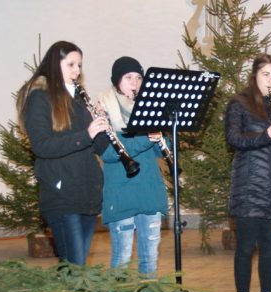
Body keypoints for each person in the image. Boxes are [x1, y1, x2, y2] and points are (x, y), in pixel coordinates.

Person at [15, 41, 110, 265]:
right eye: (71, 65)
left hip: (86, 193)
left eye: (79, 65)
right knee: (73, 267)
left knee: (75, 270)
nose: (77, 71)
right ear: (53, 65)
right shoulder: (39, 97)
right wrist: (87, 134)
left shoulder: (79, 100)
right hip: (61, 194)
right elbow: (42, 145)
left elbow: (101, 147)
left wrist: (103, 124)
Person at [225, 54, 271, 292]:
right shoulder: (240, 103)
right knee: (245, 248)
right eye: (266, 75)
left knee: (269, 248)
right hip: (249, 186)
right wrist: (265, 136)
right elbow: (233, 139)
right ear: (254, 75)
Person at [95, 56, 169, 276]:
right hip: (121, 191)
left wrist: (163, 137)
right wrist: (146, 139)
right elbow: (109, 153)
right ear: (117, 81)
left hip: (149, 189)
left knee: (150, 261)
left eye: (138, 78)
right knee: (122, 258)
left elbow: (157, 151)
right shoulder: (102, 109)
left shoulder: (148, 109)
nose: (135, 83)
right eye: (128, 78)